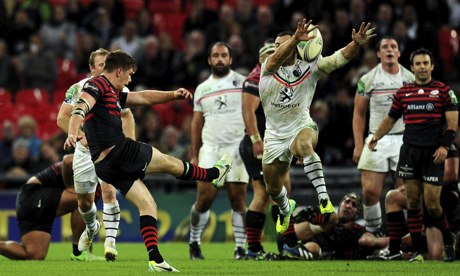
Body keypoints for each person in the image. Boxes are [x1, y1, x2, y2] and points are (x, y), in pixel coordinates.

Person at [64, 50, 232, 272]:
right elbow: (79, 108)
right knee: (168, 163)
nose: (130, 80)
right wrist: (73, 131)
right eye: (130, 75)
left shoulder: (113, 93)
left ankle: (155, 259)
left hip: (105, 166)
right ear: (119, 71)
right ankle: (212, 174)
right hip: (119, 152)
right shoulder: (96, 86)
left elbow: (142, 97)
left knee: (148, 204)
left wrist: (173, 94)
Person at [258, 19, 376, 235]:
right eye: (277, 45)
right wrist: (293, 38)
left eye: (283, 44)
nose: (278, 49)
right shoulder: (267, 69)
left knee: (304, 145)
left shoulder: (310, 67)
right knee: (272, 188)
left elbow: (338, 59)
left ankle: (324, 199)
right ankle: (286, 208)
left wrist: (356, 44)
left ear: (297, 47)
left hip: (301, 125)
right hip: (274, 135)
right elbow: (276, 57)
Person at [369, 48, 459, 262]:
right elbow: (390, 119)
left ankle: (448, 240)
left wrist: (445, 147)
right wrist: (375, 137)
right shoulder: (403, 92)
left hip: (433, 154)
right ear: (412, 67)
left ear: (432, 66)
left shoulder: (444, 91)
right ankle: (418, 251)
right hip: (410, 152)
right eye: (417, 63)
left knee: (433, 204)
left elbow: (453, 124)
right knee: (413, 203)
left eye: (425, 63)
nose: (421, 67)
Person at [57, 48, 135, 262]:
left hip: (108, 148)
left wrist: (129, 144)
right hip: (84, 152)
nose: (104, 69)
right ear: (92, 68)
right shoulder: (78, 88)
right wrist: (80, 135)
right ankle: (92, 227)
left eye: (107, 65)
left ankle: (110, 243)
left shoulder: (119, 88)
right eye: (100, 65)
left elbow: (127, 116)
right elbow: (62, 117)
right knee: (83, 202)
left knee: (109, 192)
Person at [189, 42, 248, 260]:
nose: (220, 59)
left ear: (231, 60)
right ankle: (194, 242)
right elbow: (196, 123)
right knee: (204, 198)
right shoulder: (202, 89)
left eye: (224, 55)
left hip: (237, 146)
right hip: (211, 148)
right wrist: (195, 154)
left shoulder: (243, 83)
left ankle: (240, 248)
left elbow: (252, 111)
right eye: (215, 55)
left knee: (238, 199)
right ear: (209, 60)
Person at [352, 36, 415, 233]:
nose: (389, 50)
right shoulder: (367, 79)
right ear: (378, 53)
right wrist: (358, 144)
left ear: (398, 53)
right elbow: (359, 114)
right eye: (385, 47)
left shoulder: (410, 79)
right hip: (376, 139)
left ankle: (405, 237)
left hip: (404, 139)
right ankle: (374, 235)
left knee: (404, 192)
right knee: (370, 191)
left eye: (393, 47)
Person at [239, 41, 291, 260]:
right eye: (269, 53)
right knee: (263, 194)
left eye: (276, 53)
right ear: (261, 59)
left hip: (276, 143)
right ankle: (255, 247)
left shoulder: (280, 79)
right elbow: (248, 111)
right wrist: (255, 139)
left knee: (283, 191)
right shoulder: (255, 78)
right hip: (257, 143)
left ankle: (282, 243)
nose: (274, 56)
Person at [0, 155, 103, 261]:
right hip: (34, 193)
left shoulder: (103, 180)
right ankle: (79, 252)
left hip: (29, 201)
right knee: (83, 201)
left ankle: (83, 254)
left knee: (35, 254)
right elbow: (68, 160)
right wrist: (69, 186)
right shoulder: (94, 161)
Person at [368, 145, 460, 261]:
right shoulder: (414, 145)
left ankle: (447, 240)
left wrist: (422, 186)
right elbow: (407, 175)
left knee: (435, 256)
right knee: (393, 197)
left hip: (442, 197)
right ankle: (395, 250)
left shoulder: (446, 144)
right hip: (421, 198)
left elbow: (451, 175)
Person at [284, 192, 387, 260]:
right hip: (294, 237)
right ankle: (292, 245)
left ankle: (292, 254)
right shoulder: (330, 219)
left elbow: (371, 240)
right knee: (331, 217)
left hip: (317, 251)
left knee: (313, 247)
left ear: (356, 213)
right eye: (346, 202)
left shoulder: (357, 230)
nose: (348, 206)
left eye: (354, 205)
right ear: (341, 204)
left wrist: (395, 242)